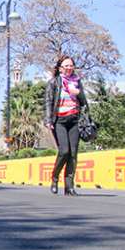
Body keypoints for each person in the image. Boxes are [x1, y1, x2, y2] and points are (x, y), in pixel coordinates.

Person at [45, 55, 88, 196]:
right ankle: (55, 177)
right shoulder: (54, 82)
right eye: (66, 66)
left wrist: (78, 93)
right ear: (60, 68)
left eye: (71, 66)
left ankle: (69, 186)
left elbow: (84, 102)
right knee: (64, 151)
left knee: (73, 154)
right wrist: (48, 120)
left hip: (75, 120)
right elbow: (48, 102)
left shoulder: (77, 81)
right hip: (60, 121)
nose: (69, 68)